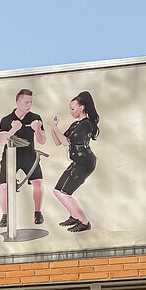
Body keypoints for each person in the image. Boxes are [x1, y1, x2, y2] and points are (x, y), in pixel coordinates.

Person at [48, 91, 100, 232]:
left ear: (81, 108)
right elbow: (58, 142)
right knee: (58, 191)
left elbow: (66, 142)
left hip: (85, 163)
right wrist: (53, 127)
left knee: (64, 192)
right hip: (78, 162)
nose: (70, 112)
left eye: (72, 109)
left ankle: (84, 222)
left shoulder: (86, 124)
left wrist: (54, 127)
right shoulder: (75, 124)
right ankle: (74, 216)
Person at [0, 88, 47, 228]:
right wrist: (13, 130)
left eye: (31, 102)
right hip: (11, 154)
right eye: (26, 102)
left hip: (29, 154)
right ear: (17, 102)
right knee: (4, 186)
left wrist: (37, 129)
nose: (29, 105)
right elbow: (1, 141)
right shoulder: (7, 119)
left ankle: (38, 212)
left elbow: (42, 140)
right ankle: (5, 215)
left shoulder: (35, 118)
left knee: (38, 183)